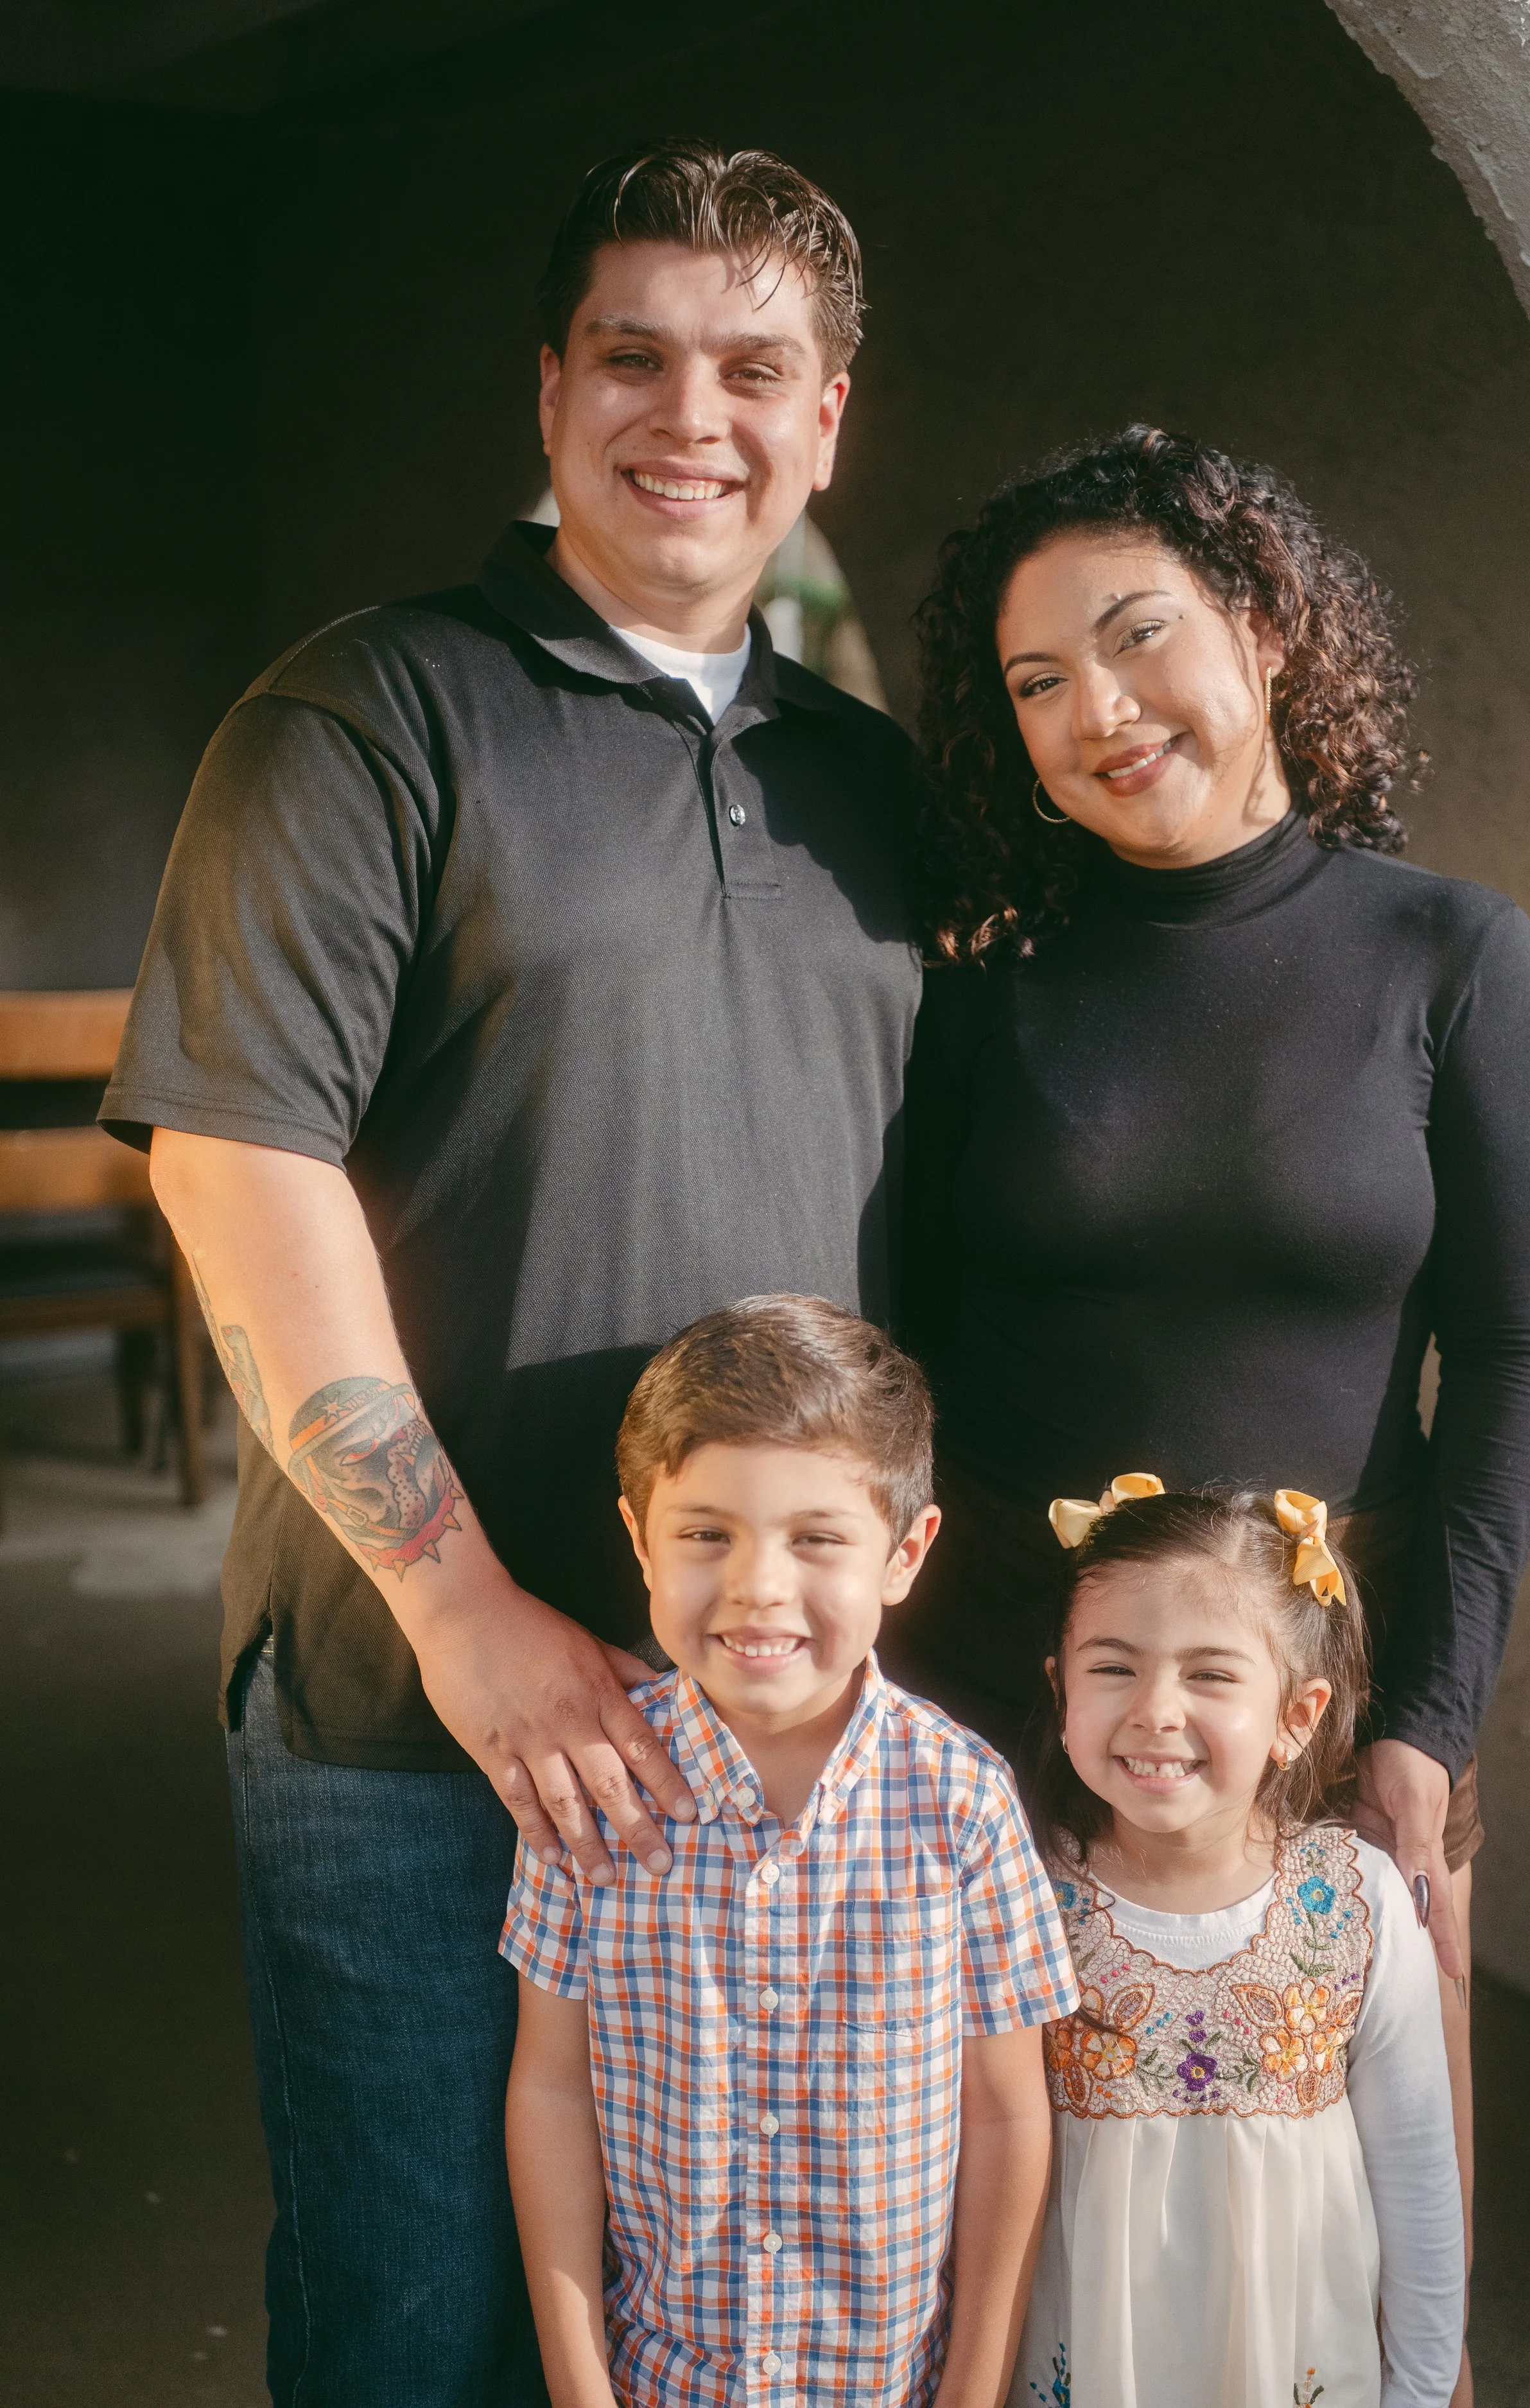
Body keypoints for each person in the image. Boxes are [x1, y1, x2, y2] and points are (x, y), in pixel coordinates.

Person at [99, 143, 923, 2404]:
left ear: (828, 416)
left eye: (757, 369)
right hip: (419, 1728)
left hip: (771, 1737)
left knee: (732, 2329)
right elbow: (236, 1167)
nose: (696, 416)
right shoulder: (365, 719)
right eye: (636, 356)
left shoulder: (877, 785)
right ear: (548, 389)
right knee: (418, 2327)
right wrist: (465, 1615)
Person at [894, 426, 1530, 2401]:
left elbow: (1509, 1370)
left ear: (1268, 624)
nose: (1096, 712)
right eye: (1035, 682)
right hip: (1013, 1724)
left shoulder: (1453, 961)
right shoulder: (990, 981)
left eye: (1136, 638)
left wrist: (1425, 1732)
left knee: (1361, 2283)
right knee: (1025, 2279)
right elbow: (916, 1340)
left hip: (1316, 1722)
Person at [503, 1294, 1080, 2408]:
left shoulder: (963, 1805)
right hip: (662, 2381)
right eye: (706, 1533)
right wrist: (579, 2388)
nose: (759, 1583)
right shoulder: (594, 1794)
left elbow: (1007, 2115)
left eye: (817, 1537)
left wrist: (972, 2393)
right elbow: (551, 2088)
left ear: (904, 1552)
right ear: (640, 1539)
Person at [1011, 1476, 1463, 2408]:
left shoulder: (1357, 1903)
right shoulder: (1021, 1894)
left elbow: (1418, 2177)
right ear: (1061, 1687)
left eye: (1210, 1673)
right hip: (1088, 2363)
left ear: (1297, 1717)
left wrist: (1420, 2389)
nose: (1155, 1709)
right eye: (1112, 1667)